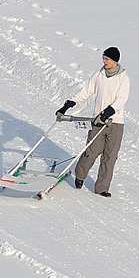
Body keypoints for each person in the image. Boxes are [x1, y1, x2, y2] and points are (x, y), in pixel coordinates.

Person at [56, 47, 130, 197]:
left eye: (107, 59)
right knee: (91, 151)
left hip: (115, 123)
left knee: (110, 157)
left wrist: (108, 112)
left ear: (115, 61)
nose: (104, 61)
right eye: (103, 58)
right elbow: (86, 91)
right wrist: (70, 103)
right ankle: (80, 175)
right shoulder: (99, 75)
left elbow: (121, 99)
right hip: (97, 120)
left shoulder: (124, 79)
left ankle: (102, 188)